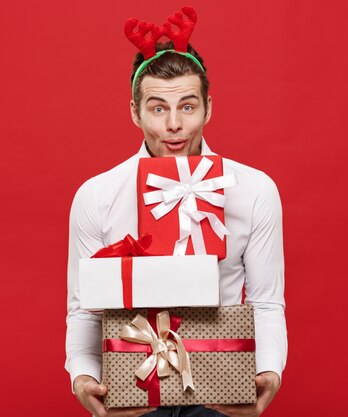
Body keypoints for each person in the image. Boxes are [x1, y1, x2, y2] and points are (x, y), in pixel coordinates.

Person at [65, 7, 287, 417]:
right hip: (133, 385)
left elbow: (266, 301)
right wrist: (82, 376)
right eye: (157, 108)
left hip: (221, 387)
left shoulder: (254, 190)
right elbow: (84, 306)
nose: (173, 125)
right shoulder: (97, 196)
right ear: (135, 112)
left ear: (208, 108)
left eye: (187, 107)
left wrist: (270, 371)